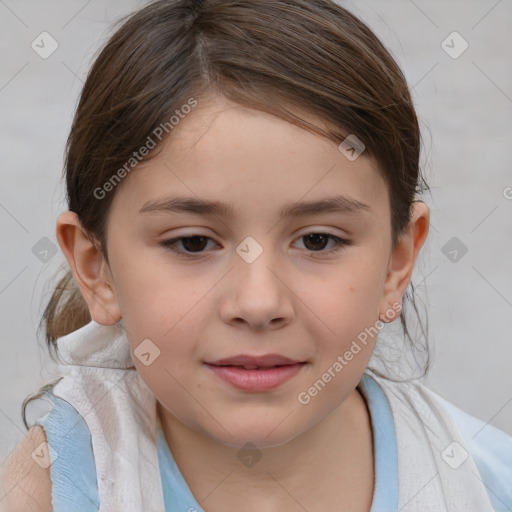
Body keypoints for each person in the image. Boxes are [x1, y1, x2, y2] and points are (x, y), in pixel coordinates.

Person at [1, 0, 511, 511]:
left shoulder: (481, 485)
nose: (259, 301)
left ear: (396, 265)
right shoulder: (51, 491)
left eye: (318, 240)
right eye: (193, 243)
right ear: (97, 270)